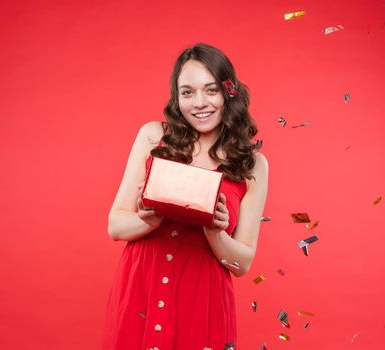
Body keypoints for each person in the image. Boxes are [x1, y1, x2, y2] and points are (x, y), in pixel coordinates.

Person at [103, 43, 269, 350]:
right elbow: (115, 225)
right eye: (188, 92)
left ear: (228, 93)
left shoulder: (253, 164)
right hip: (143, 289)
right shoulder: (154, 137)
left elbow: (242, 263)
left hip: (202, 301)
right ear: (177, 98)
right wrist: (150, 217)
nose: (200, 102)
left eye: (211, 90)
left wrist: (215, 231)